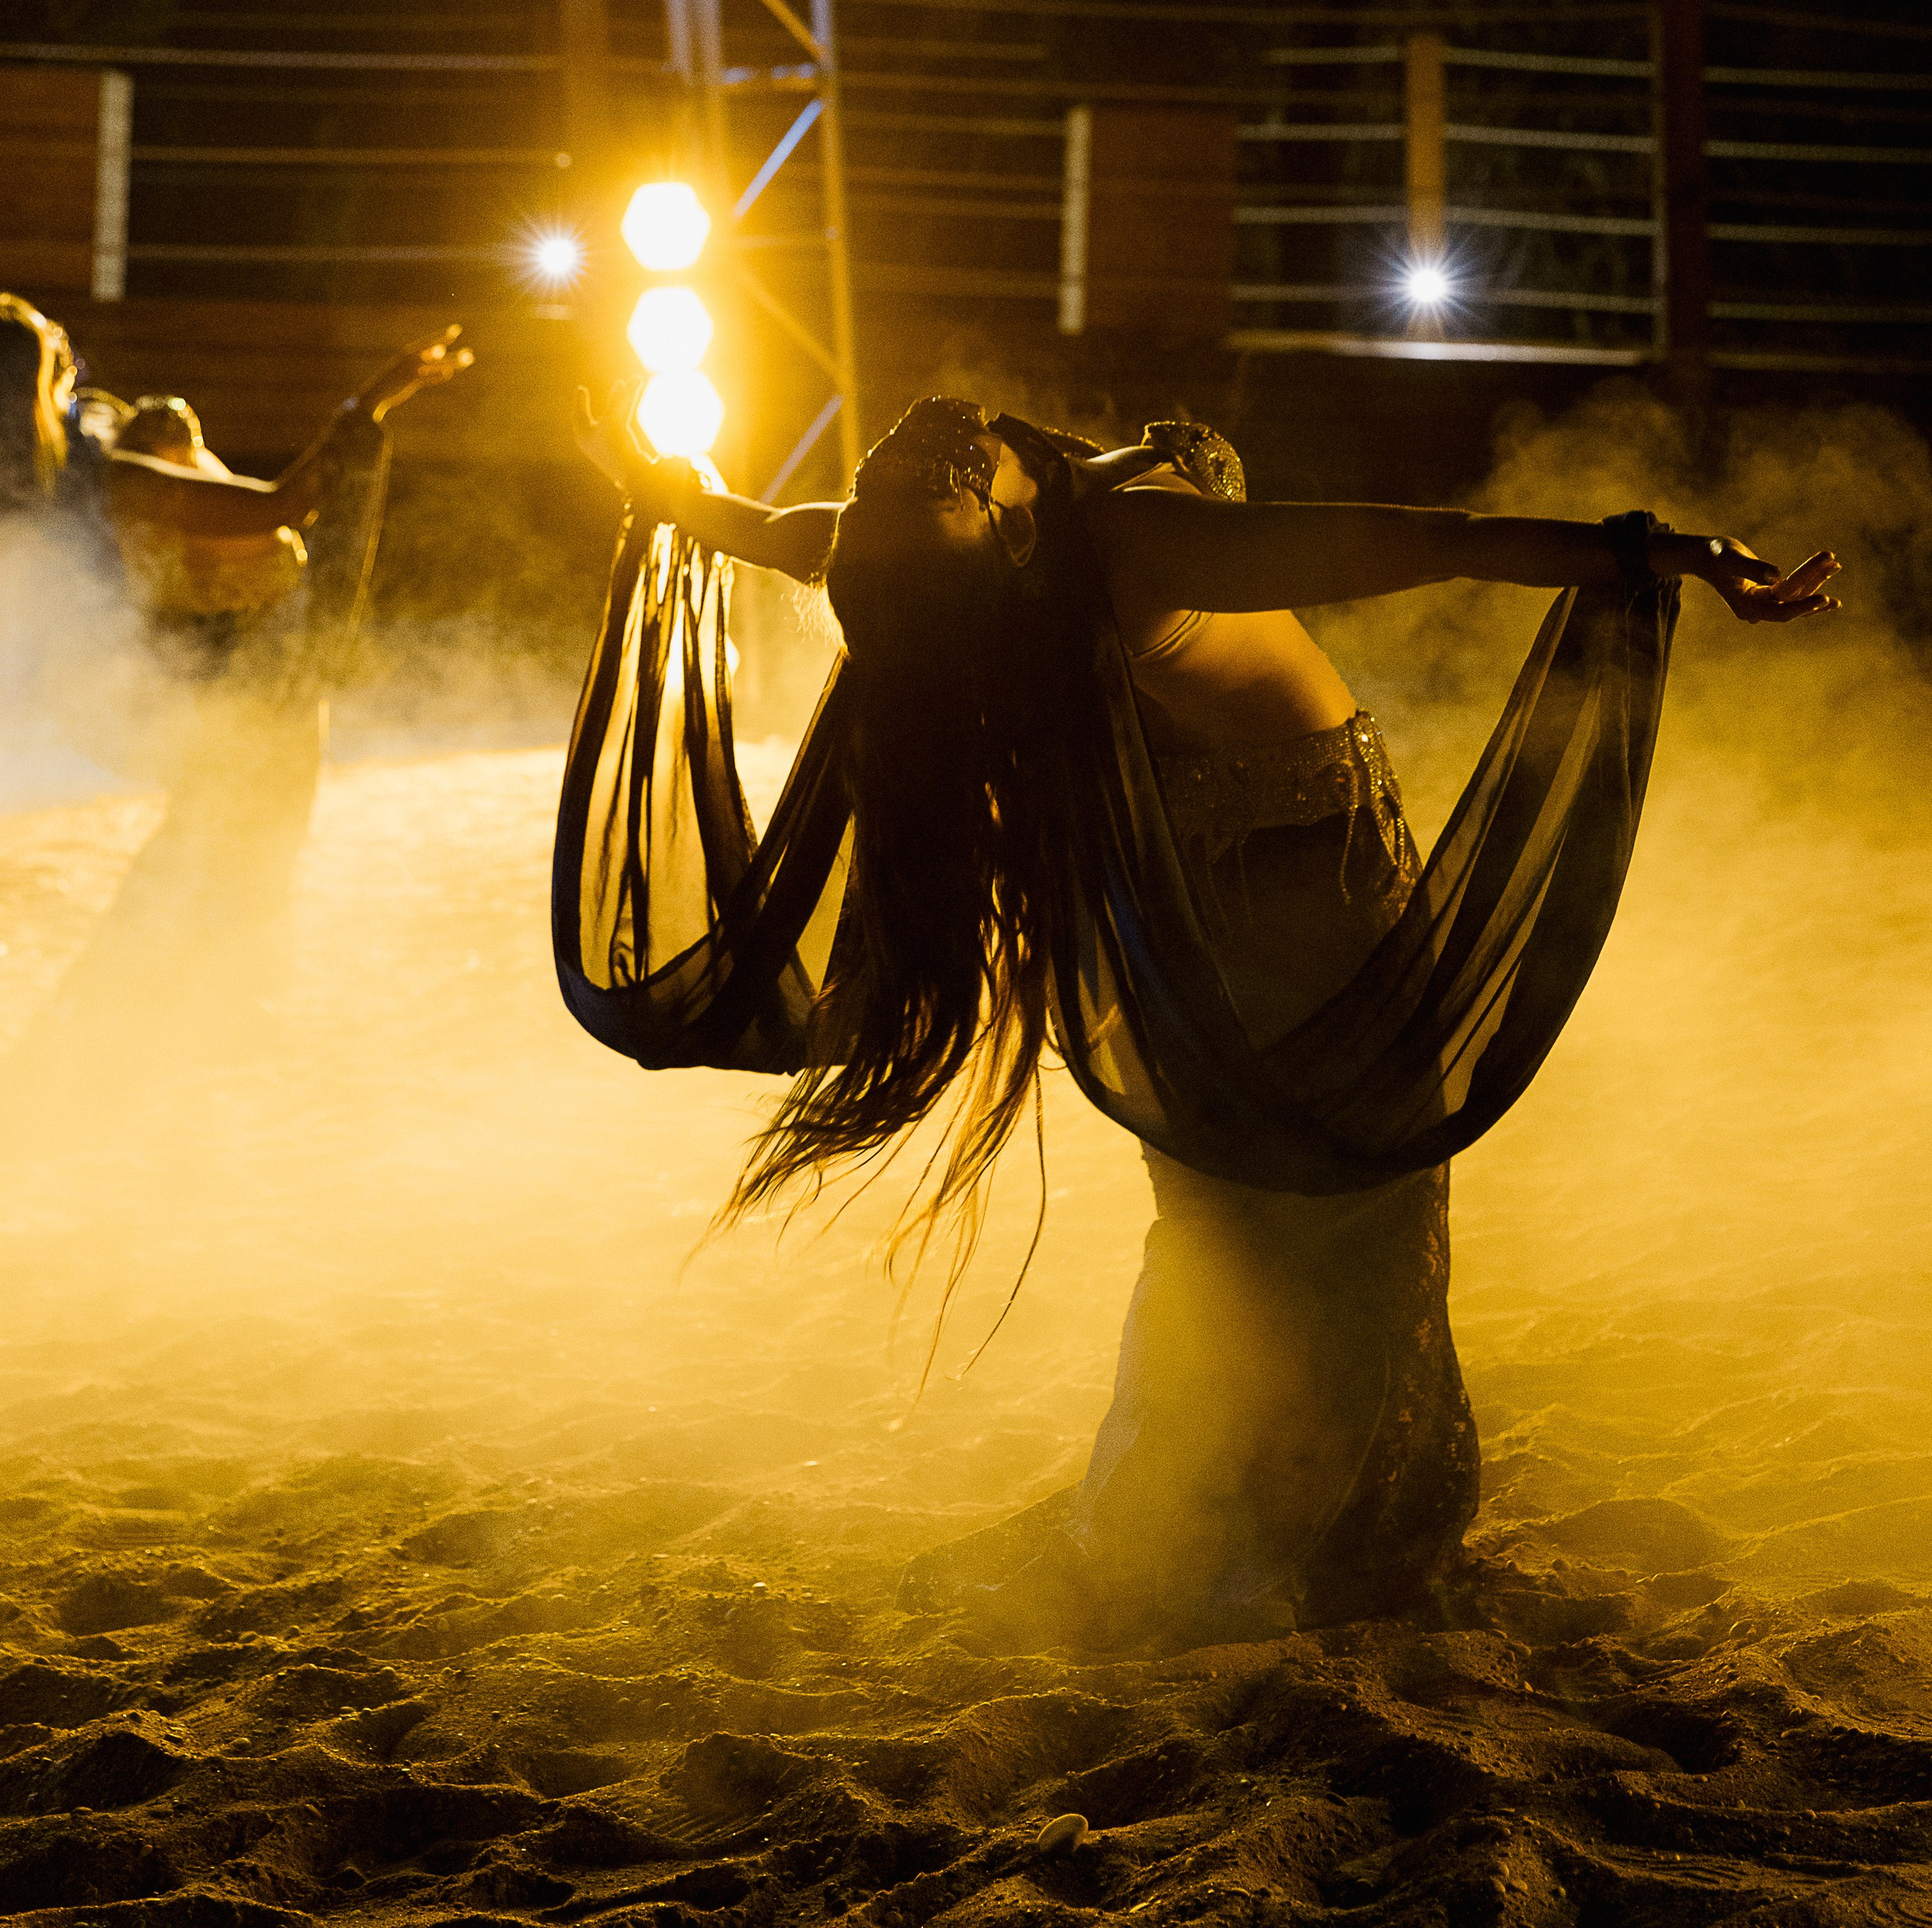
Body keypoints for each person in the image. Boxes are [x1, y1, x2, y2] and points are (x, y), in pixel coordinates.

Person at [554, 390, 1839, 1647]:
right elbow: (1417, 541)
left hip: (1172, 895)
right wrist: (1671, 555)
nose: (912, 459)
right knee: (1317, 1226)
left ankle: (1208, 1521)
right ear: (1004, 542)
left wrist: (680, 499)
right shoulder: (1132, 549)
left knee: (1250, 1224)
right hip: (1284, 886)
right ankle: (1268, 1535)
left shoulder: (903, 548)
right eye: (938, 489)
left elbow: (783, 526)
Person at [1, 309, 472, 1102]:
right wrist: (368, 405)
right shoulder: (126, 478)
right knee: (223, 858)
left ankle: (142, 1035)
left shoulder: (81, 480)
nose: (81, 374)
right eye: (60, 359)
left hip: (232, 684)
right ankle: (134, 1040)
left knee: (218, 853)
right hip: (241, 685)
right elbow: (291, 502)